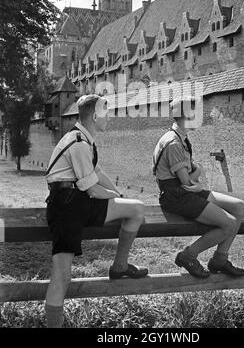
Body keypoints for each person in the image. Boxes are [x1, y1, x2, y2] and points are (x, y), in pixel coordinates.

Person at [45, 94, 148, 328]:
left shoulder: (85, 139)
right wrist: (114, 197)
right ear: (94, 115)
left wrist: (120, 195)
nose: (109, 118)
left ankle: (120, 265)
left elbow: (98, 174)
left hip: (78, 202)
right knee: (62, 275)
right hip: (67, 206)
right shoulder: (79, 143)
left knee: (136, 209)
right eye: (106, 113)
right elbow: (92, 189)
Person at [152, 97, 244, 279]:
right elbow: (187, 182)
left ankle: (220, 259)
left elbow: (191, 176)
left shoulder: (181, 138)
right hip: (176, 196)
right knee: (229, 224)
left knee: (239, 207)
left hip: (185, 191)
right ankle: (188, 255)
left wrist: (196, 175)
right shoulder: (173, 143)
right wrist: (198, 175)